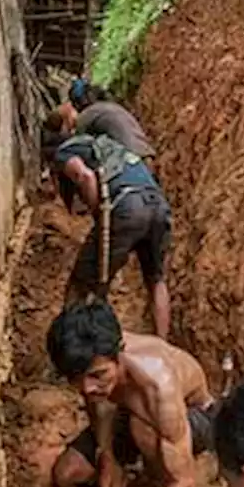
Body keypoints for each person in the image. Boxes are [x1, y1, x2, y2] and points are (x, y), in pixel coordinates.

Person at [48, 301, 215, 487]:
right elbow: (97, 404)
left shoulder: (158, 385)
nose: (87, 388)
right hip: (129, 412)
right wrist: (107, 457)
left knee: (144, 431)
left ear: (119, 355)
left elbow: (184, 483)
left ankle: (164, 485)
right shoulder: (93, 361)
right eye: (77, 380)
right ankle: (134, 465)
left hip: (191, 417)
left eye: (97, 376)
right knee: (67, 474)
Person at [45, 131, 174, 340]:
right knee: (156, 280)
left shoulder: (64, 152)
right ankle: (163, 345)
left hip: (128, 207)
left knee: (83, 282)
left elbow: (84, 176)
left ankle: (73, 348)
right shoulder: (108, 145)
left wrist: (98, 215)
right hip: (159, 206)